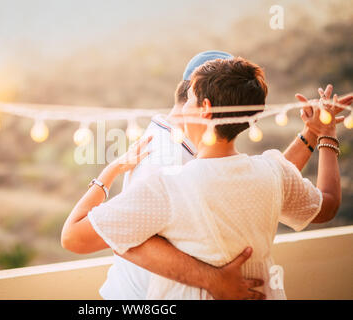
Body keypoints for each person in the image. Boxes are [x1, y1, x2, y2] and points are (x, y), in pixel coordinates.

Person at [62, 54, 351, 299]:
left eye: (189, 99)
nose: (182, 108)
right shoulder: (271, 170)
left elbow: (74, 237)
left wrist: (108, 172)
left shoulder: (171, 187)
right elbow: (327, 205)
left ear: (206, 108)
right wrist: (325, 134)